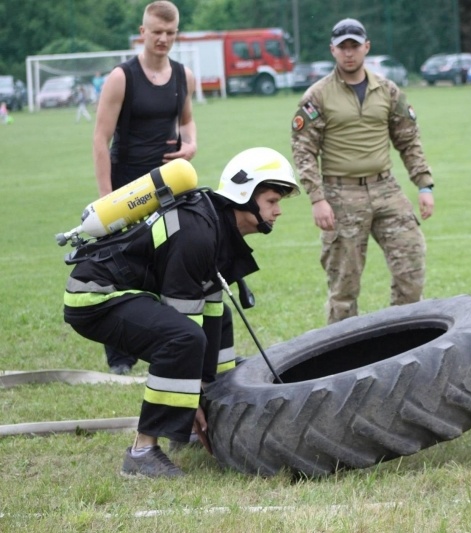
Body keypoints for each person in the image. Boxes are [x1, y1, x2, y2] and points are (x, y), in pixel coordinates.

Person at [63, 147, 300, 478]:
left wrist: (208, 390)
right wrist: (192, 398)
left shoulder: (217, 228)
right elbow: (185, 320)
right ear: (245, 195)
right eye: (272, 201)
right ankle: (141, 453)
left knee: (217, 322)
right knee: (182, 337)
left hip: (123, 292)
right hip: (95, 297)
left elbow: (213, 312)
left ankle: (215, 412)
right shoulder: (198, 232)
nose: (278, 211)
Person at [291, 18, 434, 324]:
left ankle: (402, 340)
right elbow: (303, 149)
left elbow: (408, 140)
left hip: (386, 189)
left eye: (354, 46)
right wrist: (318, 199)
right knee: (344, 287)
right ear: (333, 50)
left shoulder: (387, 90)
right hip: (340, 194)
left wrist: (424, 185)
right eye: (342, 47)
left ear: (366, 47)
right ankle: (342, 359)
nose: (349, 53)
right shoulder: (317, 96)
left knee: (411, 267)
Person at [93, 0, 197, 373]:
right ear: (143, 33)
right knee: (122, 271)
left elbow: (187, 122)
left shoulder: (182, 75)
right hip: (126, 189)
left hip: (169, 189)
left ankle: (163, 342)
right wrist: (107, 199)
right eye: (157, 32)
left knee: (169, 266)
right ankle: (120, 357)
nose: (164, 39)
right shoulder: (122, 77)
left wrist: (191, 144)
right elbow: (100, 139)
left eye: (170, 34)